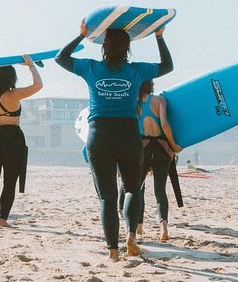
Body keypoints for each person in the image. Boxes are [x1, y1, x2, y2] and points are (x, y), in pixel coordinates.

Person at [56, 20, 173, 261]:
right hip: (128, 134)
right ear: (128, 48)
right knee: (132, 188)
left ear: (103, 47)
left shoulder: (91, 68)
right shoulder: (136, 71)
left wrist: (81, 35)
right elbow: (167, 66)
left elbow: (61, 58)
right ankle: (130, 237)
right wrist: (159, 36)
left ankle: (112, 251)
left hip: (99, 134)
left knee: (107, 197)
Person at [0, 56, 42, 228]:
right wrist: (31, 66)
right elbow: (38, 85)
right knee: (10, 181)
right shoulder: (15, 94)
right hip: (13, 138)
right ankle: (3, 220)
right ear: (12, 78)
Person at [136, 79, 182, 241]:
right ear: (151, 86)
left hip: (143, 150)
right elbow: (164, 124)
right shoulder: (159, 100)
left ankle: (138, 227)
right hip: (161, 149)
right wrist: (173, 145)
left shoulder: (134, 104)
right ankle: (163, 229)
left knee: (138, 188)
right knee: (160, 190)